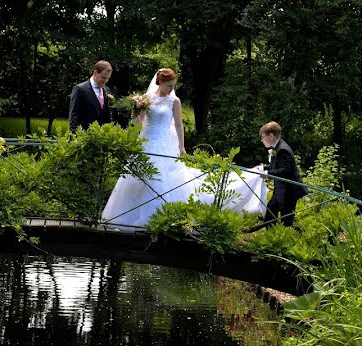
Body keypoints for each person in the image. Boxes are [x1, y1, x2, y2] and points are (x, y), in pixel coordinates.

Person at [101, 68, 267, 228]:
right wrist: (135, 111)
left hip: (164, 143)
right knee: (140, 177)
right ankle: (129, 217)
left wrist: (181, 147)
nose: (171, 89)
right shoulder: (146, 98)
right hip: (146, 140)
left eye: (173, 86)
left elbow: (179, 125)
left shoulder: (175, 101)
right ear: (160, 82)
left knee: (162, 179)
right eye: (169, 85)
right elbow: (139, 122)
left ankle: (159, 218)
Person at [259, 121, 305, 226]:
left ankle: (290, 239)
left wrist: (266, 173)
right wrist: (262, 168)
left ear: (271, 135)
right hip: (281, 189)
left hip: (289, 191)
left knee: (286, 220)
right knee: (271, 214)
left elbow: (285, 170)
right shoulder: (278, 147)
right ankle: (272, 238)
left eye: (262, 137)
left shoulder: (283, 149)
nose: (262, 140)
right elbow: (276, 166)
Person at [68, 60, 114, 132]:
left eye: (108, 78)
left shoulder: (106, 90)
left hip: (102, 138)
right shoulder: (80, 89)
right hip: (84, 137)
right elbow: (74, 116)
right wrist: (74, 137)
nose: (105, 81)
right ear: (95, 73)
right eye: (103, 77)